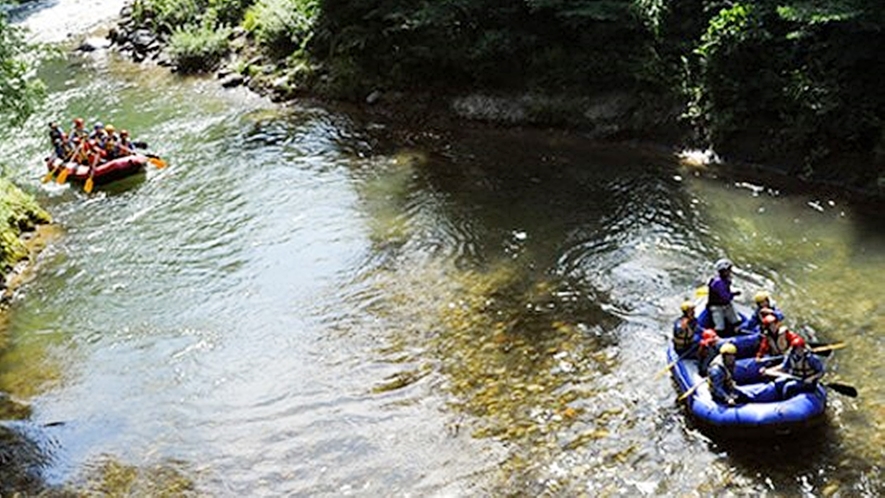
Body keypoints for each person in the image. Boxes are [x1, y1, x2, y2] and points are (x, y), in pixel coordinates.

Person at [707, 258, 742, 335]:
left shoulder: (726, 279)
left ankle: (736, 331)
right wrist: (734, 294)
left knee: (736, 321)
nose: (730, 271)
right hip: (717, 307)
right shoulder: (718, 282)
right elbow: (725, 296)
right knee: (720, 327)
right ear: (723, 271)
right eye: (729, 270)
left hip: (726, 305)